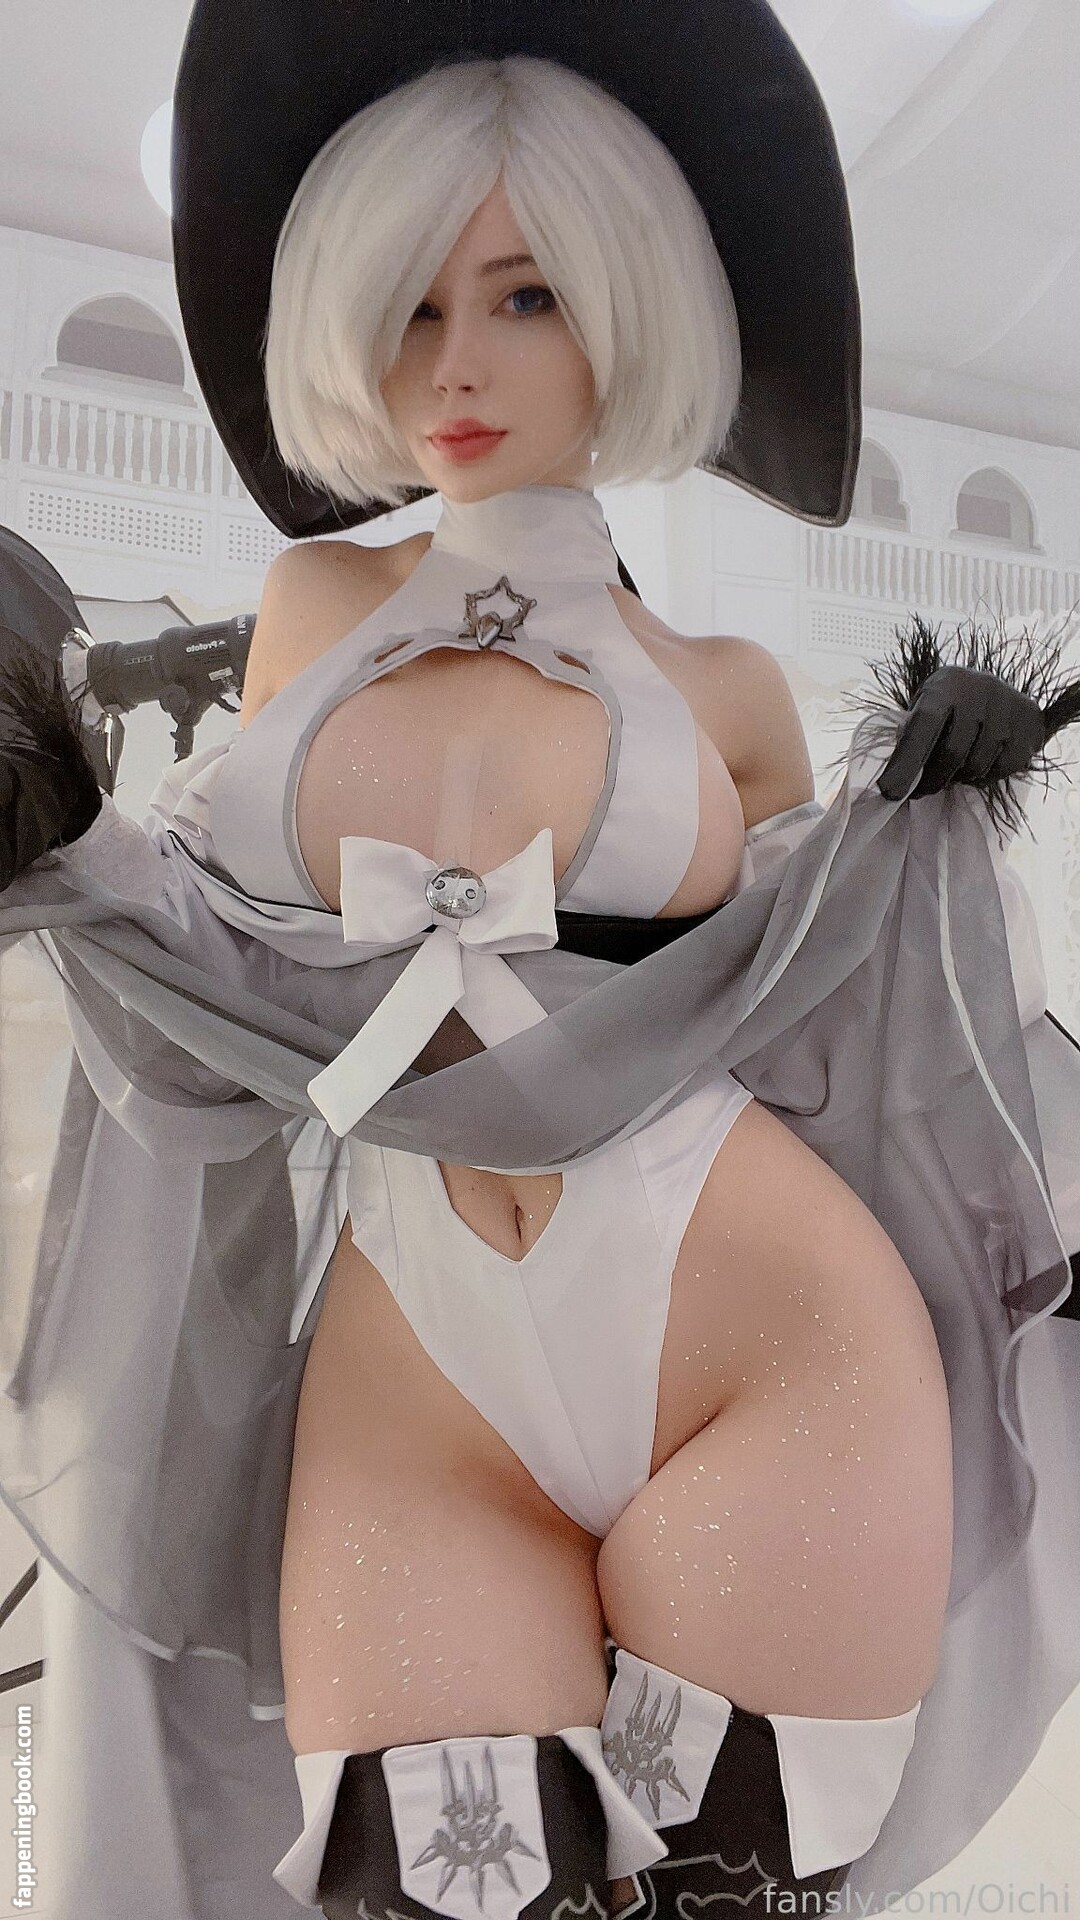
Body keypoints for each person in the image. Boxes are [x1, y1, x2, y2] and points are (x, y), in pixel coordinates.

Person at [1, 7, 1079, 1919]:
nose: (456, 364)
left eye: (524, 296)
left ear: (630, 307)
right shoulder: (310, 607)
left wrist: (939, 822)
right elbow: (212, 977)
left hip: (764, 1337)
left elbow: (826, 1005)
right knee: (425, 1887)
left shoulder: (728, 687)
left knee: (721, 1891)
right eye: (412, 305)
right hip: (420, 1355)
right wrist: (63, 843)